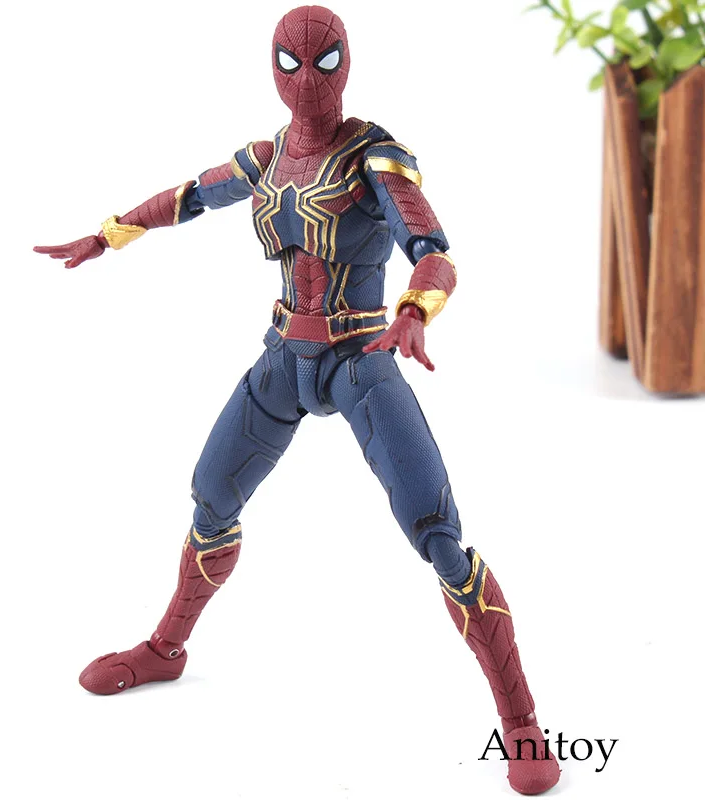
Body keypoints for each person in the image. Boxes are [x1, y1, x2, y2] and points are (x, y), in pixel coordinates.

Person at [35, 6, 560, 795]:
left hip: (361, 359)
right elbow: (190, 196)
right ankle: (167, 649)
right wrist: (108, 234)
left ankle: (521, 723)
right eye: (291, 63)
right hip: (285, 357)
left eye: (324, 62)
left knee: (440, 538)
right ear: (272, 67)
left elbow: (435, 252)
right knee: (211, 499)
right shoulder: (267, 157)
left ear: (348, 63)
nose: (308, 80)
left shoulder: (373, 157)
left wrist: (414, 311)